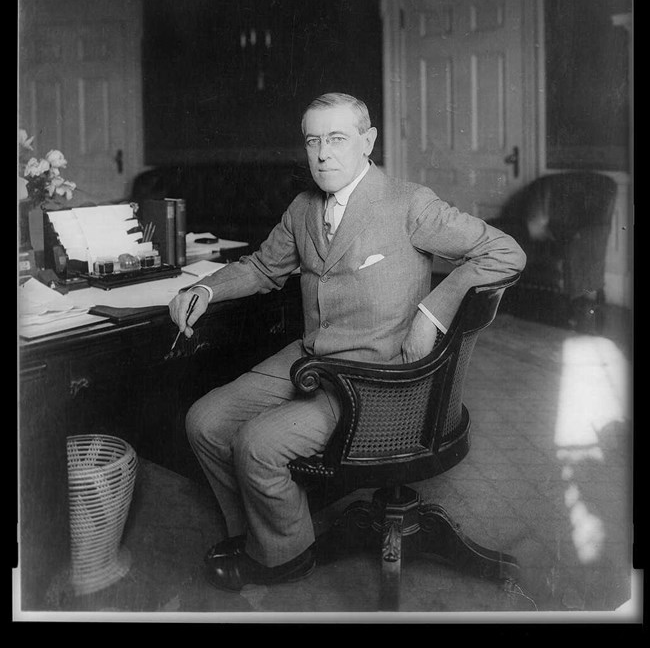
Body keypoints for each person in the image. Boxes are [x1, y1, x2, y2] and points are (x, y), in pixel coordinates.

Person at [169, 92, 526, 592]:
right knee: (205, 421)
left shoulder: (409, 204)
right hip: (313, 358)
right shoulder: (302, 207)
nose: (322, 154)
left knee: (257, 444)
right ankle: (257, 534)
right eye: (313, 140)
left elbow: (504, 251)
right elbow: (262, 267)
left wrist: (432, 312)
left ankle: (282, 557)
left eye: (337, 139)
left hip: (379, 376)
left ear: (368, 141)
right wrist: (205, 288)